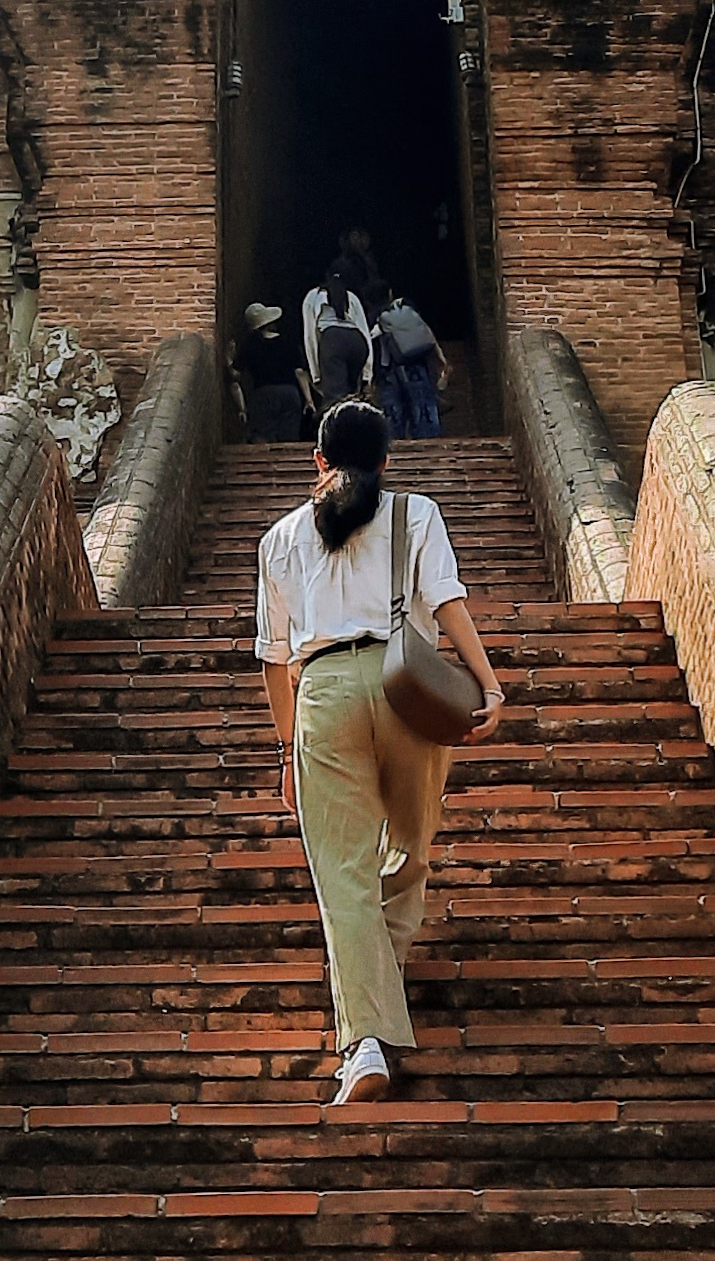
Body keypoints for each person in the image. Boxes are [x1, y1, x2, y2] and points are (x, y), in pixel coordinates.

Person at [255, 398, 504, 1105]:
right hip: (408, 687)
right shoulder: (413, 512)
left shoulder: (279, 538)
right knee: (410, 849)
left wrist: (285, 751)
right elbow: (447, 603)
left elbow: (274, 661)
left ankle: (364, 1037)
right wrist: (488, 685)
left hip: (323, 696)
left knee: (342, 875)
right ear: (387, 461)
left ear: (318, 461)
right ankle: (376, 997)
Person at [376, 290, 450, 438]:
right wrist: (440, 357)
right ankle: (428, 441)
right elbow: (426, 333)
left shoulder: (374, 318)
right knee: (422, 406)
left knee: (394, 412)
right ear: (389, 294)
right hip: (416, 366)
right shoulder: (406, 310)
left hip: (388, 371)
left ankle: (395, 444)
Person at [235, 300, 309, 441]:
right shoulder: (288, 342)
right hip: (290, 393)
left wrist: (228, 363)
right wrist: (309, 400)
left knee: (262, 437)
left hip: (263, 394)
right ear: (271, 323)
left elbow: (236, 375)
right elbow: (299, 372)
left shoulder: (250, 346)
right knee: (289, 438)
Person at [301, 265, 374, 406]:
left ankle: (338, 426)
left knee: (336, 401)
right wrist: (367, 375)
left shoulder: (313, 296)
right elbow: (364, 331)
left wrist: (316, 375)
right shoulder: (351, 297)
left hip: (333, 341)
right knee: (353, 396)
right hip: (357, 341)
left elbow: (310, 336)